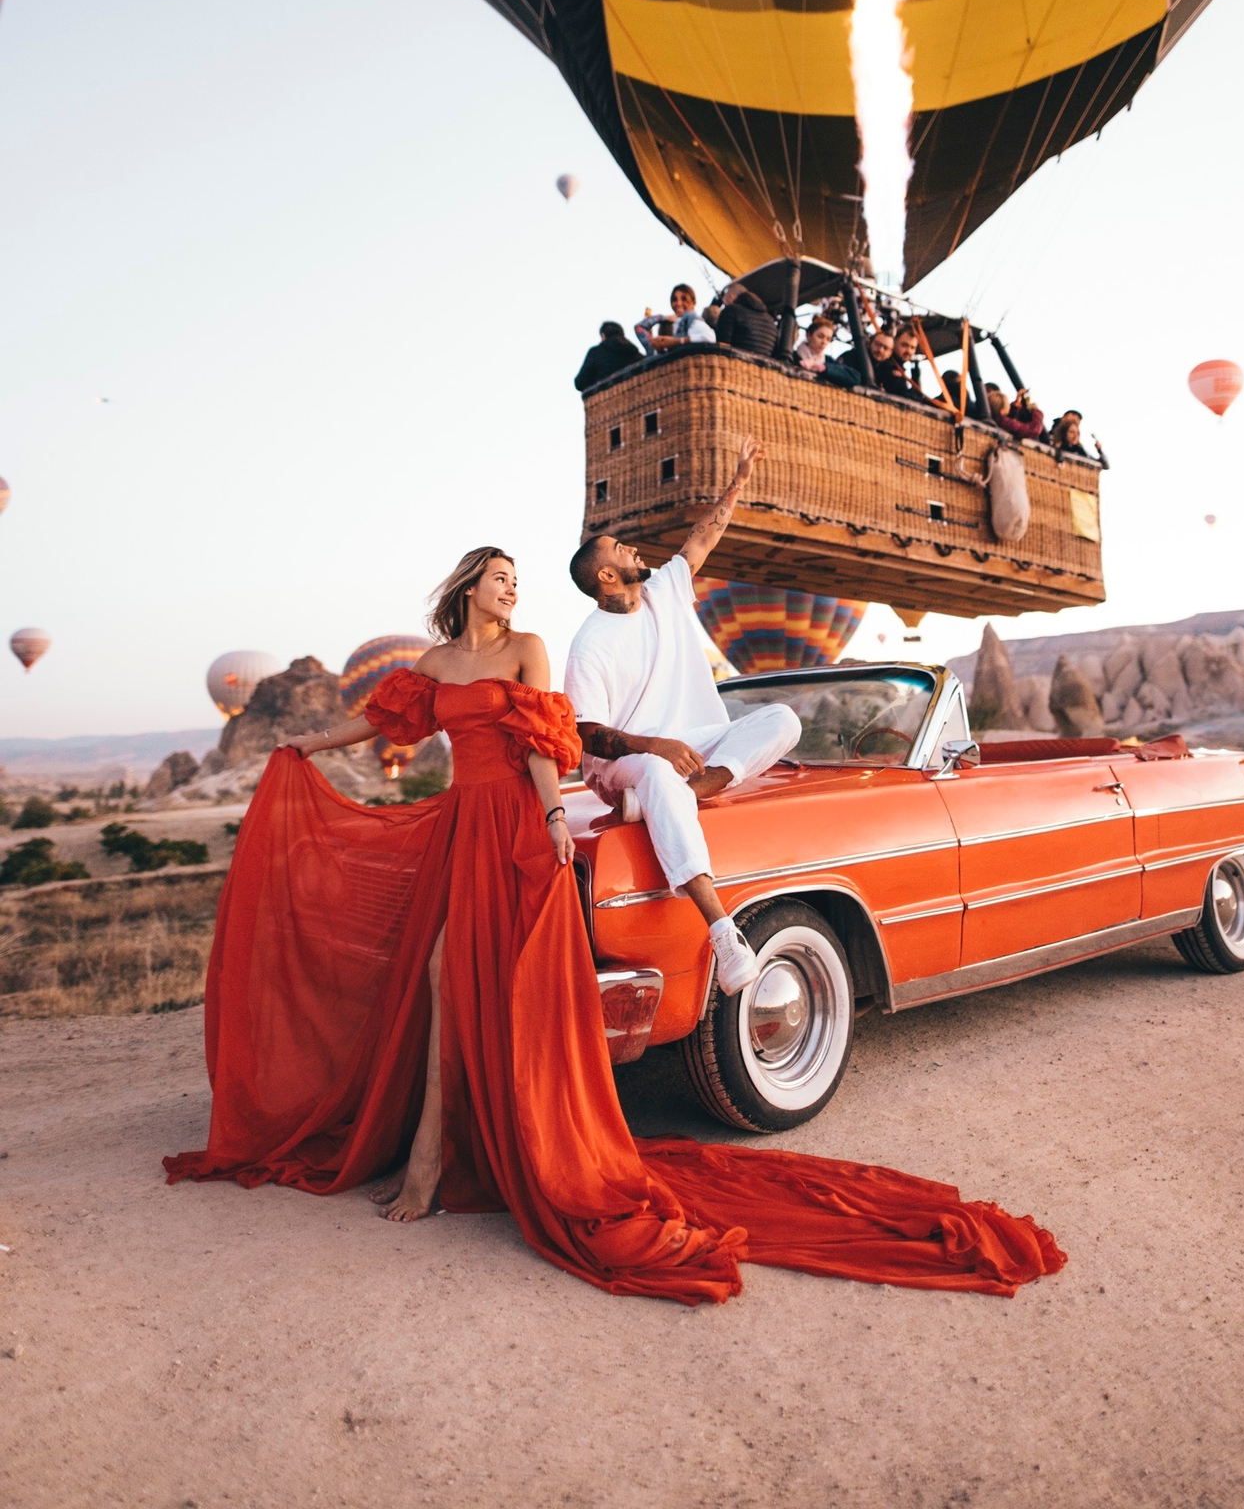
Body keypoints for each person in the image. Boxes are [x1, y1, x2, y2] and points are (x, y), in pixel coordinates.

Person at [164, 546, 1064, 1305]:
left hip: (517, 828)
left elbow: (541, 744)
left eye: (520, 577)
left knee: (498, 979)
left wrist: (555, 817)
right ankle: (431, 1159)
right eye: (502, 576)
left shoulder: (530, 648)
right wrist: (304, 750)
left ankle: (464, 1151)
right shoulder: (436, 667)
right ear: (469, 584)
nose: (514, 588)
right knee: (439, 977)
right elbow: (376, 720)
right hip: (456, 828)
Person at [565, 437, 801, 997]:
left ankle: (687, 792)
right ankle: (723, 931)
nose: (634, 551)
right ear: (606, 576)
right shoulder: (589, 645)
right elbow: (586, 733)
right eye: (623, 549)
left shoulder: (664, 591)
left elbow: (703, 538)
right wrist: (656, 746)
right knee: (654, 774)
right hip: (622, 764)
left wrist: (739, 481)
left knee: (784, 720)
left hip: (695, 748)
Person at [636, 283, 715, 355]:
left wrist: (676, 341)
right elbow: (639, 327)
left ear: (693, 302)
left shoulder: (690, 318)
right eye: (674, 300)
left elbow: (709, 337)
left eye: (684, 299)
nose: (678, 303)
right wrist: (665, 318)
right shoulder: (658, 352)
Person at [714, 280, 778, 357]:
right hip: (762, 368)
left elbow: (722, 347)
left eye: (724, 302)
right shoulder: (771, 321)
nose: (723, 305)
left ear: (731, 297)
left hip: (734, 365)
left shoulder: (731, 311)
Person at [574, 321, 642, 392]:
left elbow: (579, 383)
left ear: (603, 335)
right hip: (637, 397)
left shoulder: (596, 352)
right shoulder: (635, 353)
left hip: (607, 398)